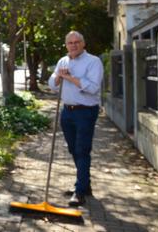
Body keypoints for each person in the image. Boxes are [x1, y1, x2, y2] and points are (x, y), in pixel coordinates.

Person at [48, 31, 103, 207]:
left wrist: (69, 77)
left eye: (77, 42)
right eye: (70, 42)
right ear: (66, 45)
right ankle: (84, 185)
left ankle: (80, 192)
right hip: (67, 111)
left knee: (82, 150)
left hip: (85, 112)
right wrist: (58, 76)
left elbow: (93, 88)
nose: (73, 45)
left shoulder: (93, 62)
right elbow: (52, 85)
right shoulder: (62, 61)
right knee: (73, 149)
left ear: (83, 44)